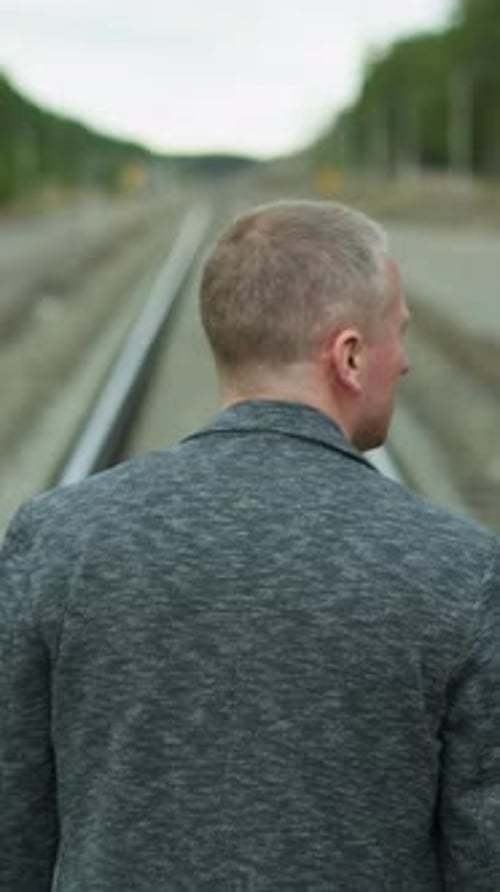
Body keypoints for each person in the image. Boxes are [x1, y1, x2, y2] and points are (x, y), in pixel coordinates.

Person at [1, 199, 499, 891]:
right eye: (399, 335)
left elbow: (12, 835)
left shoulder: (54, 539)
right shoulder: (462, 570)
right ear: (351, 356)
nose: (407, 362)